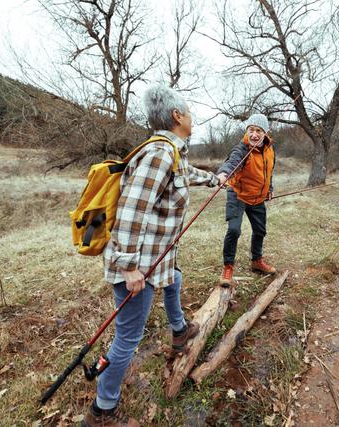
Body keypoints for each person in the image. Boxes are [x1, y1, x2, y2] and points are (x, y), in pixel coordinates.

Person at [84, 86, 226, 427]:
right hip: (138, 266)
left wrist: (214, 180)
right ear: (177, 117)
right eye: (189, 113)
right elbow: (131, 213)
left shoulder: (172, 154)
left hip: (157, 261)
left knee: (175, 278)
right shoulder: (160, 154)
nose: (192, 118)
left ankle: (179, 331)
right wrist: (130, 268)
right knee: (128, 338)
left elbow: (187, 176)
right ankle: (102, 410)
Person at [216, 113, 277, 287]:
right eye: (251, 130)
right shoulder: (242, 149)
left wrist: (269, 188)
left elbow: (269, 171)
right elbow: (231, 163)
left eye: (258, 131)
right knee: (234, 230)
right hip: (238, 195)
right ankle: (228, 266)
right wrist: (223, 174)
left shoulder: (270, 149)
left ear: (265, 133)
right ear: (247, 131)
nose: (254, 135)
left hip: (257, 197)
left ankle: (256, 261)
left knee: (260, 231)